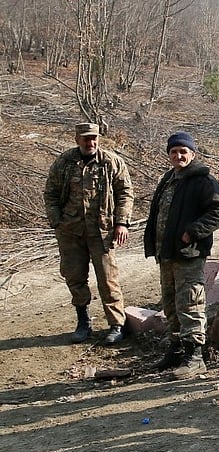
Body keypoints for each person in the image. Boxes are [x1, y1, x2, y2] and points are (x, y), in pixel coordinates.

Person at [144, 131, 219, 380]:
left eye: (183, 151)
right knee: (171, 305)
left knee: (190, 304)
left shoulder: (203, 181)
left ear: (193, 154)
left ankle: (195, 358)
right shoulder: (169, 179)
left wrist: (192, 232)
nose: (178, 155)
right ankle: (176, 349)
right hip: (167, 254)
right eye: (174, 152)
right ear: (169, 155)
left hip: (188, 255)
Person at [43, 122, 134, 345]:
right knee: (74, 277)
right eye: (85, 138)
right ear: (77, 139)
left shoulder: (110, 162)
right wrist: (57, 221)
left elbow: (125, 193)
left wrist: (122, 223)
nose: (90, 142)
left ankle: (116, 324)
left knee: (108, 279)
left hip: (101, 231)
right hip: (70, 232)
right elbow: (51, 193)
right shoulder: (64, 163)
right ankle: (83, 321)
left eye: (93, 138)